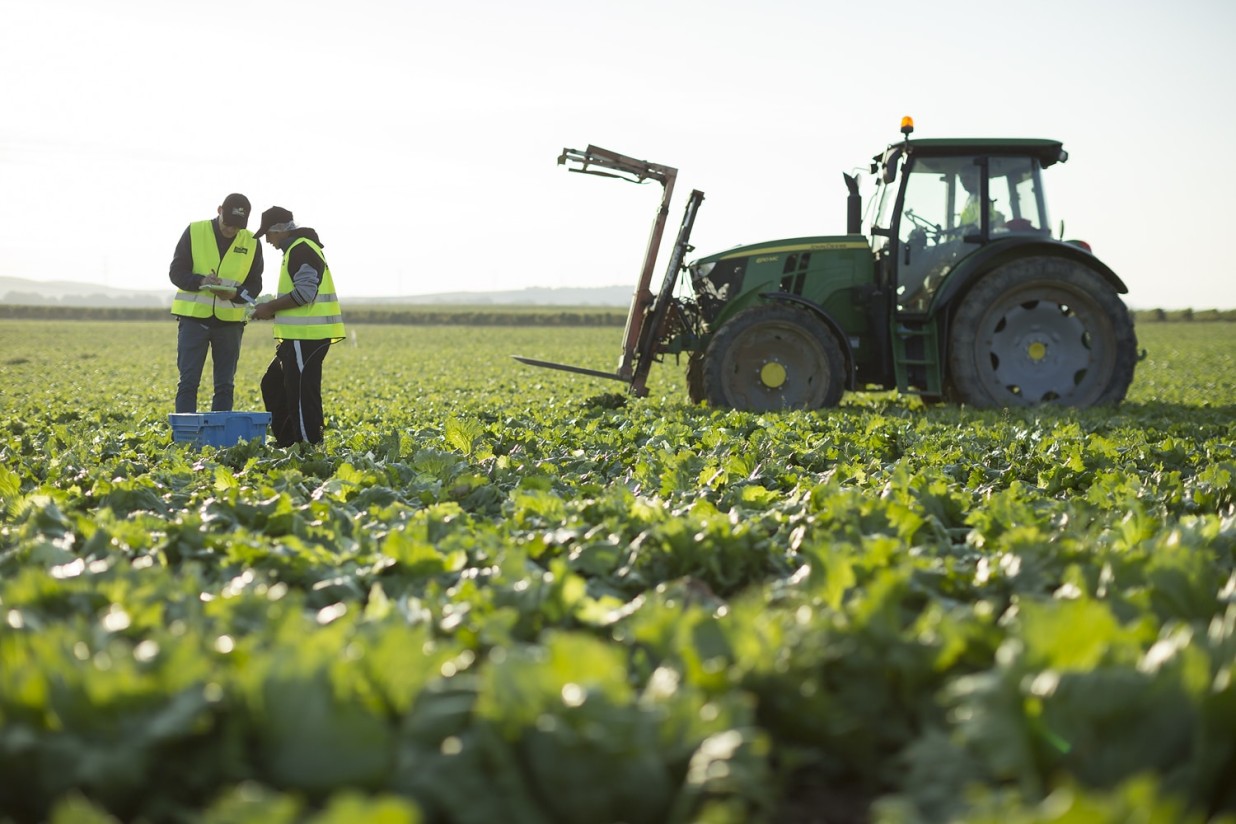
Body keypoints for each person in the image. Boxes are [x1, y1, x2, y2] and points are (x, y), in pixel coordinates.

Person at [250, 206, 345, 447]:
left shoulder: (301, 249)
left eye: (268, 235)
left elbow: (305, 293)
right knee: (272, 384)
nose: (268, 241)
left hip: (307, 337)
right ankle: (289, 441)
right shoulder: (296, 249)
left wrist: (270, 308)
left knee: (302, 395)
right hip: (297, 338)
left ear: (279, 230)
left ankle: (307, 447)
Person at [169, 193, 264, 413]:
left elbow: (255, 285)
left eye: (237, 226)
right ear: (219, 210)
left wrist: (236, 295)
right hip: (193, 320)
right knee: (188, 383)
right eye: (228, 223)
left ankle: (220, 441)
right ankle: (185, 439)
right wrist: (200, 281)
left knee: (224, 386)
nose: (231, 230)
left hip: (230, 323)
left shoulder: (251, 241)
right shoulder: (194, 231)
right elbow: (176, 272)